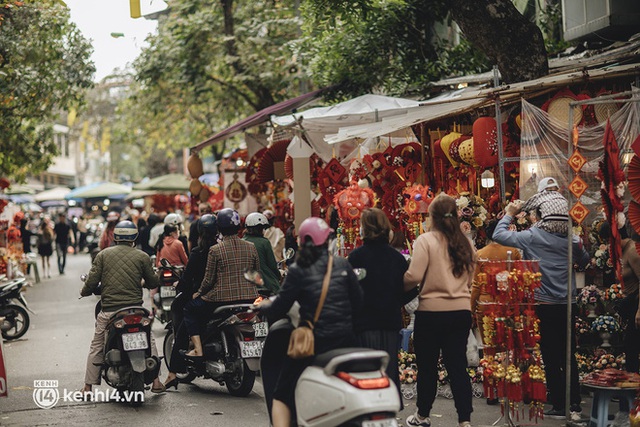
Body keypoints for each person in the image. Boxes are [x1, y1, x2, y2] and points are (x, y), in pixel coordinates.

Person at [257, 217, 363, 427]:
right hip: (347, 342)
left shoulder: (298, 270)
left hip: (317, 343)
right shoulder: (342, 264)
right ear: (327, 241)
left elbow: (280, 306)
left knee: (281, 393)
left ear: (302, 242)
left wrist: (263, 307)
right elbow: (359, 302)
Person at [492, 198, 589, 421]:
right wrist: (576, 248)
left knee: (550, 353)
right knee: (568, 354)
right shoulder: (571, 239)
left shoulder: (533, 236)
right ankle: (573, 402)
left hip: (544, 304)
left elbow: (499, 234)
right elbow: (584, 261)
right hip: (568, 305)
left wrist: (509, 212)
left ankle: (558, 402)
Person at [403, 194, 476, 427]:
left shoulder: (425, 241)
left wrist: (398, 284)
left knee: (427, 367)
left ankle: (422, 416)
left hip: (431, 313)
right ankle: (465, 420)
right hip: (460, 313)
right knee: (457, 367)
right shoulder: (466, 243)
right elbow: (472, 279)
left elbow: (413, 276)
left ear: (431, 217)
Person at [79, 220, 165, 396]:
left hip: (111, 311)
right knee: (149, 338)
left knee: (97, 345)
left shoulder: (103, 255)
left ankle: (88, 387)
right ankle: (156, 381)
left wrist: (84, 291)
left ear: (115, 237)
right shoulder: (142, 256)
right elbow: (153, 282)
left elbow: (92, 282)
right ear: (134, 237)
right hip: (136, 310)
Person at [348, 208, 409, 408]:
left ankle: (367, 410)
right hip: (389, 322)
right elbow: (405, 291)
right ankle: (388, 408)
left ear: (364, 229)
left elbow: (349, 291)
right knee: (388, 369)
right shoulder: (397, 259)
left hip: (364, 323)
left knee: (366, 372)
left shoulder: (356, 257)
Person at [183, 208, 260, 357]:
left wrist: (198, 293)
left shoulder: (215, 250)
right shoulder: (251, 247)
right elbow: (256, 273)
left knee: (189, 309)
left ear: (219, 228)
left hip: (220, 300)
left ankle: (198, 349)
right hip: (249, 298)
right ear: (239, 227)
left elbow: (208, 280)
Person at [162, 214, 219, 389]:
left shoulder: (200, 251)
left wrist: (188, 289)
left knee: (182, 331)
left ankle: (173, 373)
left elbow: (190, 278)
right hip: (221, 298)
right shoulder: (220, 248)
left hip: (205, 298)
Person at [470, 219, 521, 406]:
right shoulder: (513, 253)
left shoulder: (480, 254)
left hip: (485, 305)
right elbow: (518, 282)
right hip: (506, 305)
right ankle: (508, 388)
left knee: (490, 349)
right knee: (508, 347)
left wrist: (472, 308)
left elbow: (476, 285)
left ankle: (491, 391)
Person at [243, 212, 281, 295]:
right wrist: (278, 276)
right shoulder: (265, 242)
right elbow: (272, 265)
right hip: (266, 284)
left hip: (245, 285)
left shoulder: (242, 241)